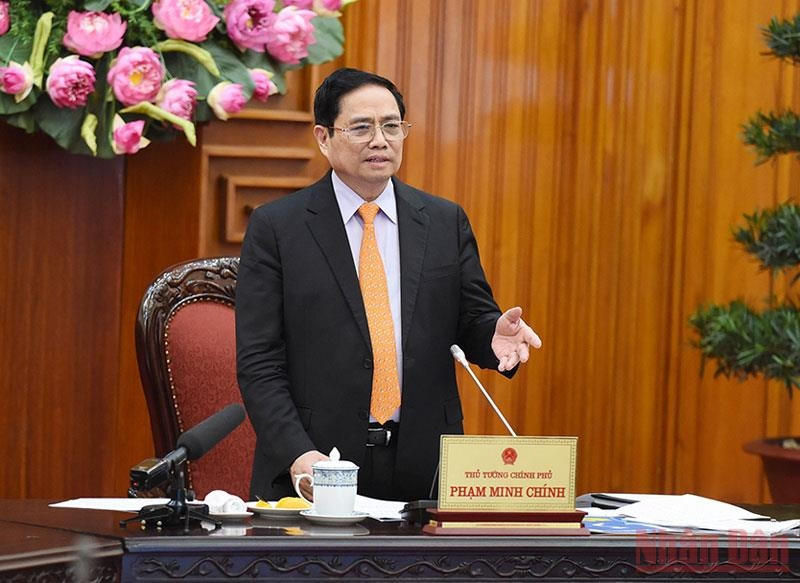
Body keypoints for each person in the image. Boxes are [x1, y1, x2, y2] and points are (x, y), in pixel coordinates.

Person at [236, 67, 541, 503]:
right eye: (362, 127)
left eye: (392, 126)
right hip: (317, 468)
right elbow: (259, 362)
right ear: (324, 137)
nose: (380, 140)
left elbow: (470, 321)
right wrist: (298, 454)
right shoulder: (277, 228)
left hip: (428, 469)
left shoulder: (443, 221)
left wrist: (492, 334)